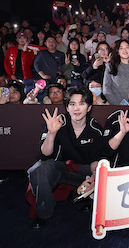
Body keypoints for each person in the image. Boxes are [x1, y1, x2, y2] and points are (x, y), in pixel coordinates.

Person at [27, 87, 106, 229]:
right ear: (67, 107)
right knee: (38, 169)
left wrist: (94, 177)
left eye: (81, 103)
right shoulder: (57, 122)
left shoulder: (95, 129)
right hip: (60, 170)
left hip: (83, 173)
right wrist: (52, 133)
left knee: (103, 175)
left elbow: (96, 159)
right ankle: (43, 214)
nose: (76, 108)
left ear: (89, 107)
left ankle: (76, 197)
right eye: (72, 104)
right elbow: (44, 155)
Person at [103, 40, 129, 105]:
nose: (124, 50)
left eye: (127, 47)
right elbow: (106, 89)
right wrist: (117, 104)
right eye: (121, 48)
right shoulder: (111, 66)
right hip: (115, 105)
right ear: (118, 51)